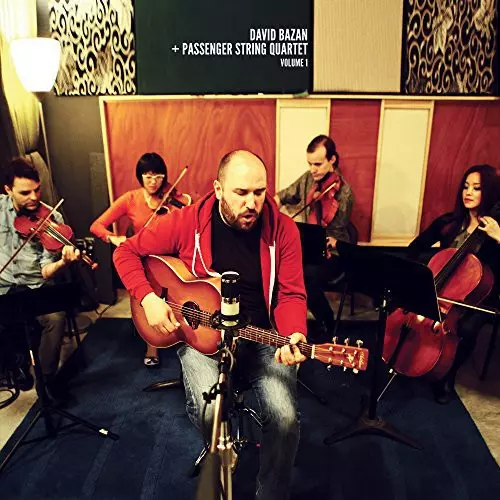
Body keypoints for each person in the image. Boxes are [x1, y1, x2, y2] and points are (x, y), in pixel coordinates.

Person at [114, 150, 307, 500]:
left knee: (285, 418)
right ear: (218, 189)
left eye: (259, 192)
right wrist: (148, 298)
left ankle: (271, 494)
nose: (252, 203)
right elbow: (124, 252)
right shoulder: (186, 221)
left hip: (262, 336)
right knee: (208, 411)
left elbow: (291, 293)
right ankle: (220, 447)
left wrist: (294, 332)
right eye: (241, 193)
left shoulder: (284, 230)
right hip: (202, 337)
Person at [407, 164, 500, 404]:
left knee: (467, 328)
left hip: (479, 295)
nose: (468, 192)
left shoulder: (495, 229)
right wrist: (421, 272)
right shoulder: (449, 222)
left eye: (477, 188)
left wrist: (499, 237)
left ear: (489, 192)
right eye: (466, 186)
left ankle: (447, 374)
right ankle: (409, 354)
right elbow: (415, 248)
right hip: (442, 288)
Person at [90, 152, 191, 367]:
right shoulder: (130, 199)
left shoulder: (174, 198)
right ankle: (152, 343)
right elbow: (97, 225)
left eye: (158, 176)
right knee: (148, 300)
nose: (153, 182)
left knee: (182, 295)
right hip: (144, 259)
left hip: (172, 259)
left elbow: (189, 218)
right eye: (148, 176)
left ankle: (181, 335)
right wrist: (114, 238)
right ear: (140, 176)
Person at [0, 157, 81, 402]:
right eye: (25, 193)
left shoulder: (52, 219)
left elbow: (46, 270)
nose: (34, 197)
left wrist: (63, 262)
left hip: (35, 285)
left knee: (55, 318)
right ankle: (16, 362)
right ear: (8, 190)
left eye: (37, 190)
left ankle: (46, 378)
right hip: (3, 283)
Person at [275, 135, 354, 340]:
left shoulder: (344, 193)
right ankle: (282, 321)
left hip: (333, 252)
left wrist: (332, 242)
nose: (313, 169)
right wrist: (270, 210)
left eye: (318, 164)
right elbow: (283, 195)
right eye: (310, 164)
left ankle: (326, 320)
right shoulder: (308, 179)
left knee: (306, 278)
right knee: (282, 268)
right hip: (308, 246)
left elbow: (337, 233)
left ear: (332, 160)